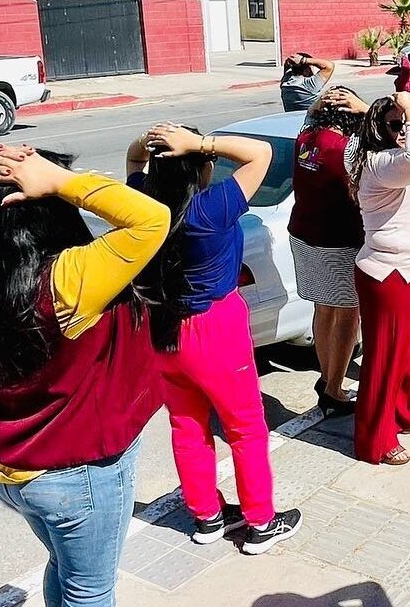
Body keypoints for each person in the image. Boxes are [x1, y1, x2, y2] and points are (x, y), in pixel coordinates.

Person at [0, 146, 170, 606]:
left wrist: (4, 188)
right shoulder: (67, 277)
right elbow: (151, 219)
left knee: (65, 570)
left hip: (12, 472)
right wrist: (63, 180)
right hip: (78, 475)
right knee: (91, 591)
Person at [131, 123, 302, 554]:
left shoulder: (144, 203)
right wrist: (199, 143)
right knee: (246, 428)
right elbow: (259, 153)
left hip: (164, 327)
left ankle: (206, 516)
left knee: (186, 425)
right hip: (215, 326)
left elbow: (134, 161)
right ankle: (261, 521)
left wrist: (149, 142)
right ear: (201, 167)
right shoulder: (211, 207)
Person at [348, 92, 410, 465]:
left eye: (406, 124)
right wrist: (407, 103)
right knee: (384, 359)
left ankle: (409, 411)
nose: (406, 129)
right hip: (391, 275)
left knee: (409, 354)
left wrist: (406, 112)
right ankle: (374, 438)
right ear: (379, 130)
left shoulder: (391, 159)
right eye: (396, 125)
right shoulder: (379, 163)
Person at [289, 87, 367, 417]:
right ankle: (334, 389)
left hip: (304, 234)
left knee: (323, 309)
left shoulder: (305, 138)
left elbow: (309, 115)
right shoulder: (350, 149)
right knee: (348, 312)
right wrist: (365, 108)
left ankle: (326, 377)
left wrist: (324, 100)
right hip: (340, 238)